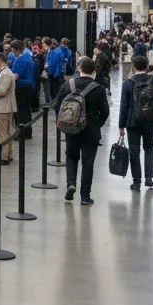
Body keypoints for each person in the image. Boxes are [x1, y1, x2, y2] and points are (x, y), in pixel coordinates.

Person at [55, 57, 109, 206]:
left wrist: (63, 122)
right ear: (94, 71)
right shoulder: (98, 88)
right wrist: (97, 124)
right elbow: (105, 111)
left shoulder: (68, 85)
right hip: (91, 129)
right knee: (88, 162)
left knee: (71, 157)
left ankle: (71, 183)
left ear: (79, 68)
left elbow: (57, 105)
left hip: (71, 128)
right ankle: (85, 196)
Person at [118, 55, 153, 191]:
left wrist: (121, 125)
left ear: (134, 67)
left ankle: (136, 181)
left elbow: (124, 104)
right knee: (149, 148)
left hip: (132, 120)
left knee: (134, 150)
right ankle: (149, 178)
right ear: (147, 66)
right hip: (151, 120)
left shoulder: (128, 83)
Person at [0, 53, 17, 164]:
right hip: (6, 106)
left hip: (2, 107)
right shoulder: (6, 72)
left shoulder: (5, 73)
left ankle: (3, 156)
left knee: (2, 133)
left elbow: (2, 91)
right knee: (7, 131)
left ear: (0, 61)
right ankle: (8, 154)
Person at [10, 40, 36, 138]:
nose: (12, 53)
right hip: (28, 85)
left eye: (13, 51)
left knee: (20, 112)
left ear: (16, 50)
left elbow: (14, 76)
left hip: (21, 87)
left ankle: (21, 133)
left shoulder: (19, 59)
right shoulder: (28, 56)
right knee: (26, 110)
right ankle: (28, 132)